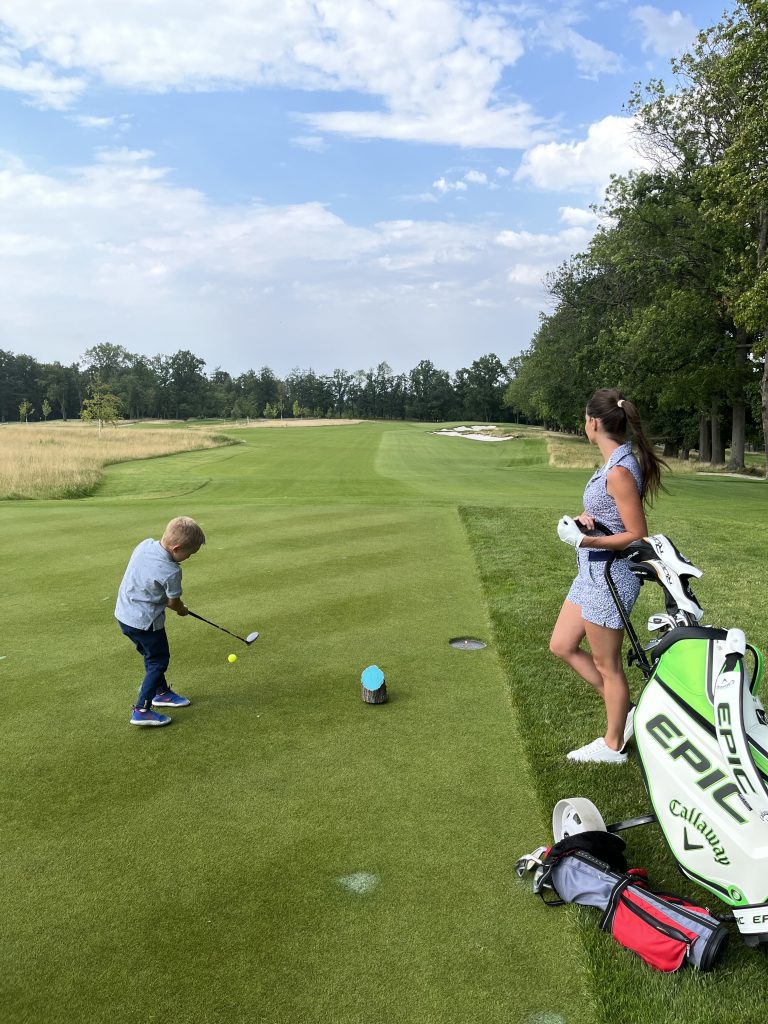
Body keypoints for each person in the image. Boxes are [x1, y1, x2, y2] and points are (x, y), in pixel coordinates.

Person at [550, 389, 666, 764]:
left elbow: (636, 534)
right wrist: (588, 522)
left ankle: (614, 743)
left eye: (585, 419)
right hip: (591, 572)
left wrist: (585, 538)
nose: (584, 424)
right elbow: (609, 516)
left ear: (593, 423)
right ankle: (628, 712)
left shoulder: (618, 471)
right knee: (562, 644)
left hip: (611, 578)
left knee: (608, 666)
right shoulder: (611, 464)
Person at [116, 516, 206, 727]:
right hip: (145, 623)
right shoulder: (172, 571)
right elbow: (173, 603)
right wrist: (183, 610)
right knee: (158, 661)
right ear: (176, 549)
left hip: (124, 616)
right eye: (189, 554)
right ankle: (142, 709)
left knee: (151, 656)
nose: (189, 558)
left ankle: (162, 692)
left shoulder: (144, 544)